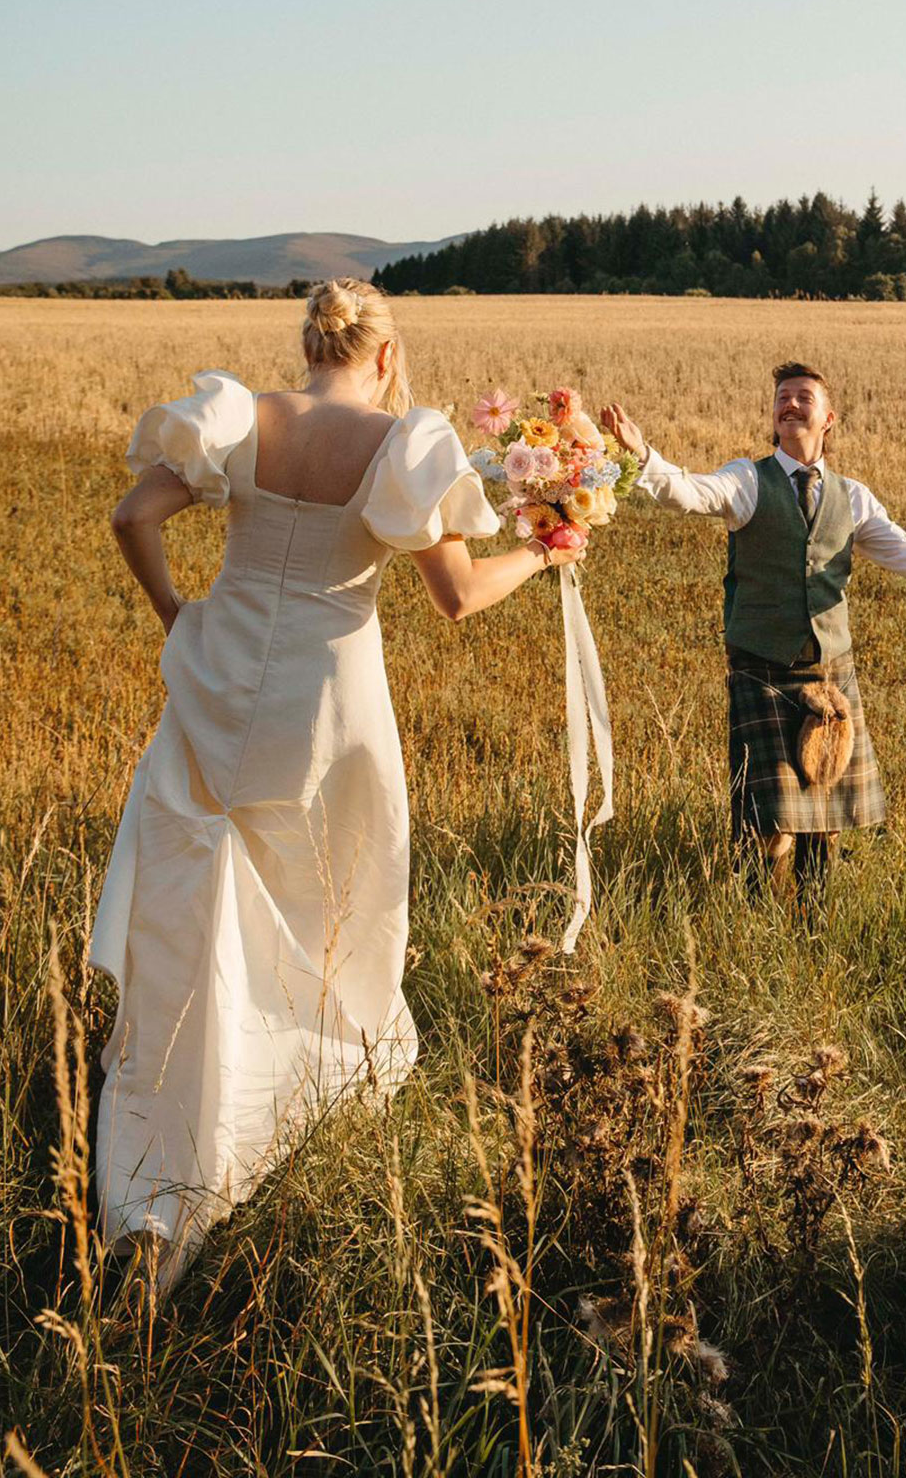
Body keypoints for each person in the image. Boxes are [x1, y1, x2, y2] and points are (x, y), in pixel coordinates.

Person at [89, 277, 578, 1291]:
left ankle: (162, 1157)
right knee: (331, 909)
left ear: (309, 345)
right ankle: (274, 1098)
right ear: (387, 354)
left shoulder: (239, 417)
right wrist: (541, 551)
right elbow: (455, 599)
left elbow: (133, 516)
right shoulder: (403, 445)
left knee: (199, 891)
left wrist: (180, 616)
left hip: (219, 681)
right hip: (325, 707)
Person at [601, 364, 906, 899]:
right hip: (763, 665)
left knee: (823, 814)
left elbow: (903, 553)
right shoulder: (747, 480)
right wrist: (644, 457)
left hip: (830, 670)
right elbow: (690, 493)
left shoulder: (854, 497)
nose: (791, 405)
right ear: (774, 415)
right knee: (766, 818)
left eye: (805, 398)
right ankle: (751, 920)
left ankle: (814, 920)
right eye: (783, 397)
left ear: (829, 418)